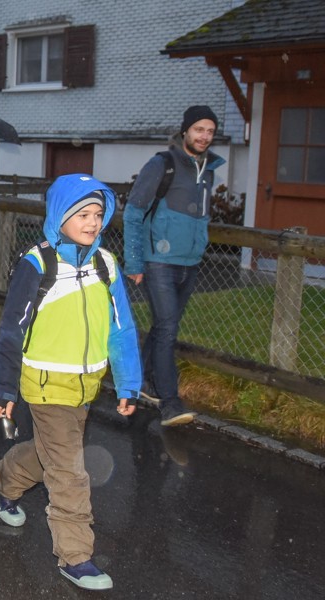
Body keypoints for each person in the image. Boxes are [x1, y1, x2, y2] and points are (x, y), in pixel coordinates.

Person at [0, 174, 140, 591]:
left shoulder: (105, 264)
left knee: (52, 453)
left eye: (97, 214)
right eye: (81, 214)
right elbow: (11, 331)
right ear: (60, 216)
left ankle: (3, 482)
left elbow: (122, 328)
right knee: (70, 471)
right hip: (46, 384)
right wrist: (3, 388)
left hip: (86, 385)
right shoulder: (38, 264)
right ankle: (75, 556)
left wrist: (128, 383)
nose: (92, 222)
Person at [123, 105, 224, 427]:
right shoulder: (162, 164)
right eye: (199, 130)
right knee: (167, 330)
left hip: (191, 263)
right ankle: (170, 402)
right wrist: (135, 261)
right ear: (185, 131)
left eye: (209, 131)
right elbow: (133, 212)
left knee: (163, 327)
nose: (204, 136)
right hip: (159, 262)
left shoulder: (209, 170)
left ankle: (143, 382)